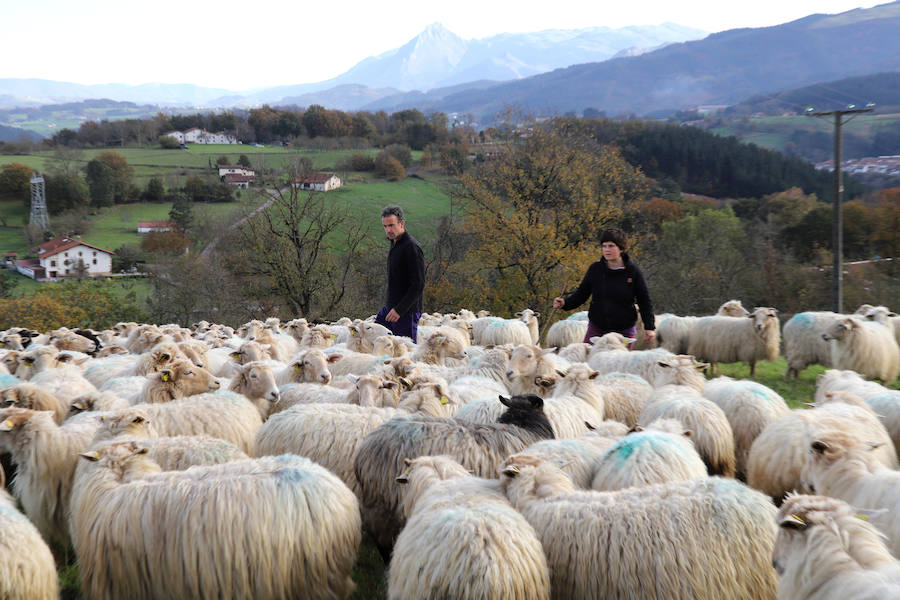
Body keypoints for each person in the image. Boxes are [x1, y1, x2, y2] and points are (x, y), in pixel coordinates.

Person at [553, 228, 655, 347]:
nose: (607, 250)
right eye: (604, 246)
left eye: (611, 246)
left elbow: (644, 301)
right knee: (590, 357)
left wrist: (649, 327)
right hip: (597, 327)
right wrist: (565, 303)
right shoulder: (595, 269)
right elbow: (581, 294)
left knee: (621, 359)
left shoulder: (633, 272)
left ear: (621, 248)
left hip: (624, 329)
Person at [374, 205, 425, 343]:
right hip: (390, 308)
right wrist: (391, 306)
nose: (388, 230)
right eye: (385, 226)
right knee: (376, 339)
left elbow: (418, 284)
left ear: (402, 223)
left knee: (405, 350)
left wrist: (399, 310)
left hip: (406, 312)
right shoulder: (395, 243)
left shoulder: (411, 247)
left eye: (391, 225)